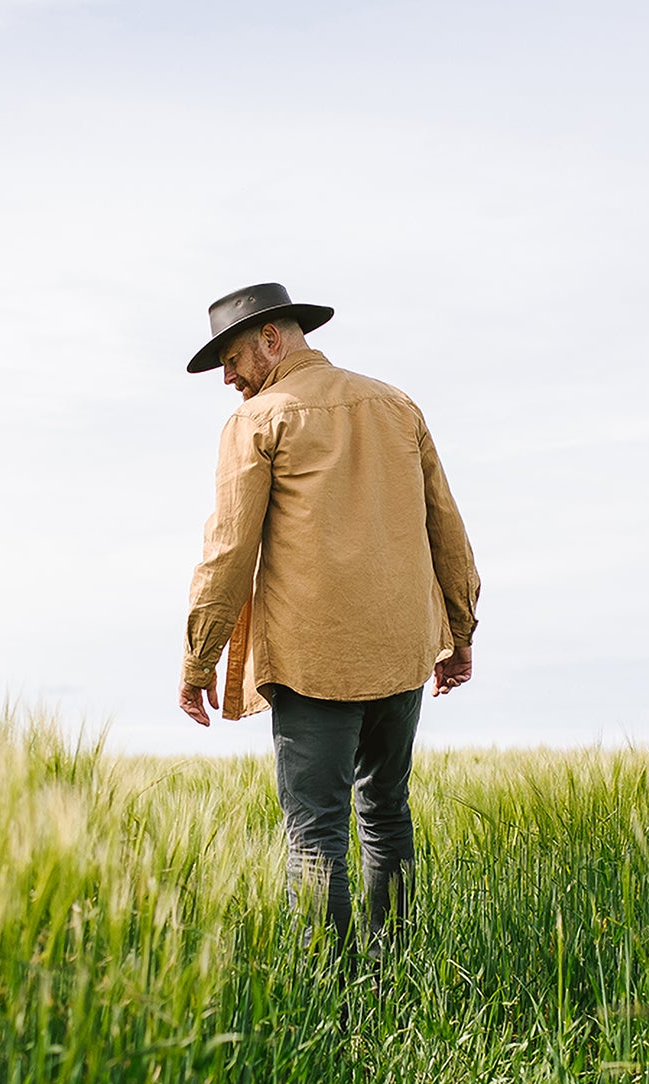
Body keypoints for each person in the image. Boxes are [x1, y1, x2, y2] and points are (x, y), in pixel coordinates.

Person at [178, 281, 480, 962]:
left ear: (270, 340)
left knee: (315, 832)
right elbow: (447, 528)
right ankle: (392, 974)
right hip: (401, 649)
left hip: (313, 659)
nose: (227, 377)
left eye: (230, 359)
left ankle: (328, 1000)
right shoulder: (395, 404)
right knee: (386, 812)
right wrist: (458, 632)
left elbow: (227, 551)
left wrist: (198, 661)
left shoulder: (258, 421)